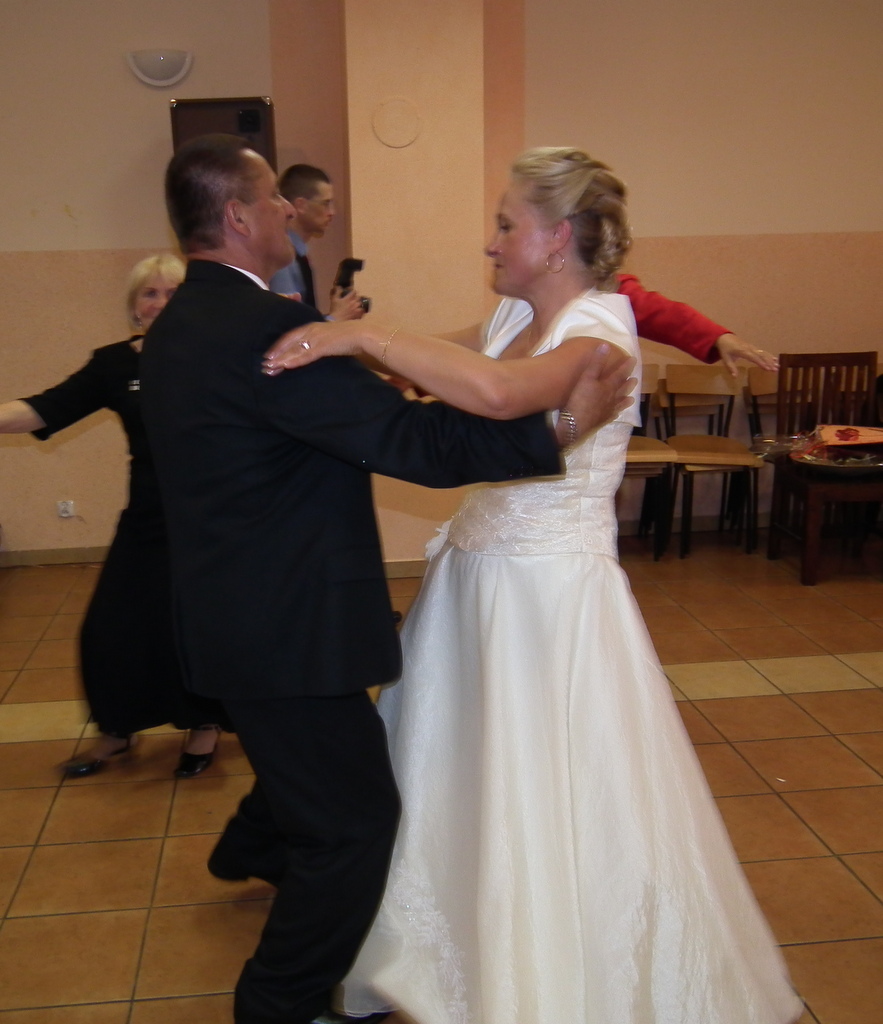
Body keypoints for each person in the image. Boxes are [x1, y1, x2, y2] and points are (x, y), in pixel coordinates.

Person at [265, 148, 803, 1024]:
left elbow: (495, 394)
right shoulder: (516, 310)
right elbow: (441, 361)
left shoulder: (601, 328)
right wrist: (349, 345)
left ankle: (542, 976)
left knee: (544, 792)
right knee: (454, 780)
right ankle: (434, 952)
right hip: (473, 579)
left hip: (547, 597)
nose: (490, 241)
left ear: (557, 238)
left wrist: (364, 336)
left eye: (505, 224)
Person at [139, 133, 634, 1024]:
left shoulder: (181, 320)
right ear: (240, 217)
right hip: (285, 631)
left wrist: (366, 342)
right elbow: (421, 442)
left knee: (334, 785)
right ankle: (278, 1004)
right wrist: (561, 429)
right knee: (352, 827)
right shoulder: (260, 328)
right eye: (275, 198)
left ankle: (263, 863)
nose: (290, 210)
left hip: (241, 616)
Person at [0, 254, 224, 779]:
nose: (161, 302)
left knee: (199, 625)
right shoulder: (114, 364)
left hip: (211, 518)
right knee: (110, 627)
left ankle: (205, 725)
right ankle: (117, 731)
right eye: (150, 293)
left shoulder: (221, 356)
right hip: (146, 515)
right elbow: (43, 408)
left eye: (173, 292)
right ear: (134, 307)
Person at [268, 162, 365, 321]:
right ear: (301, 205)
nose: (332, 212)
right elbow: (288, 326)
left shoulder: (298, 253)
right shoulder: (283, 258)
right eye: (325, 203)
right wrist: (336, 317)